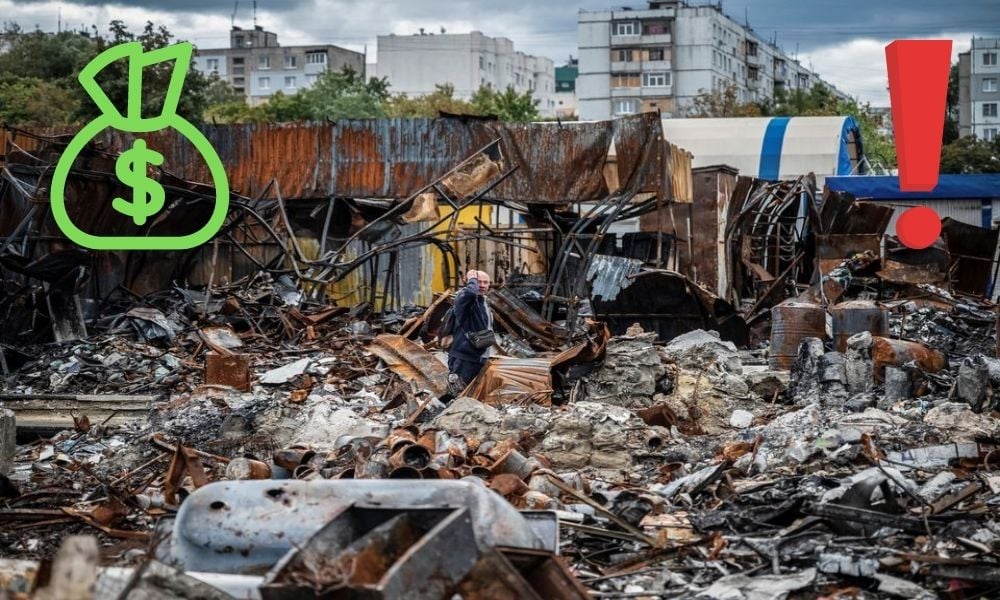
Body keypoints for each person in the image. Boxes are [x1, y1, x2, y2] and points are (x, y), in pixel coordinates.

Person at [447, 269, 493, 388]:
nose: (482, 285)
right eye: (478, 282)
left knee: (472, 395)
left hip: (478, 358)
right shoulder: (464, 299)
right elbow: (471, 293)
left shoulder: (483, 301)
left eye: (485, 282)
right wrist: (472, 278)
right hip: (464, 359)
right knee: (457, 394)